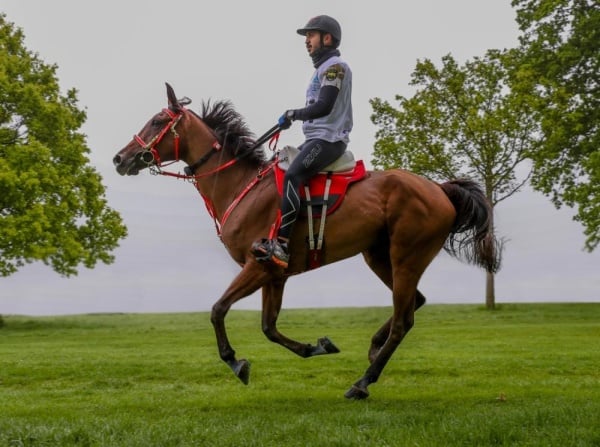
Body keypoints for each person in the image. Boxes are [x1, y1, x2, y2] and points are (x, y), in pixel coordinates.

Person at [251, 15, 353, 269]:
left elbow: (324, 105)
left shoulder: (335, 67)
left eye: (311, 35)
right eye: (306, 36)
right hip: (316, 138)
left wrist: (293, 114)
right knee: (279, 164)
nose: (306, 41)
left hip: (328, 140)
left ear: (326, 38)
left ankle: (283, 245)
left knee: (293, 176)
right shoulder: (321, 70)